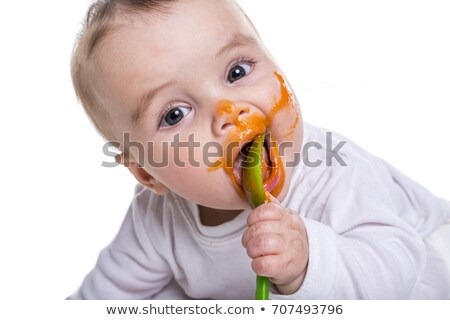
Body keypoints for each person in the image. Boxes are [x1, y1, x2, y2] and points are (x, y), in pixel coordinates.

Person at [68, 0, 450, 299]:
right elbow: (103, 298)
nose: (227, 113)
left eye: (237, 72)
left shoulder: (336, 171)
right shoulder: (156, 221)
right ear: (147, 173)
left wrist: (307, 264)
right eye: (175, 114)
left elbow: (399, 271)